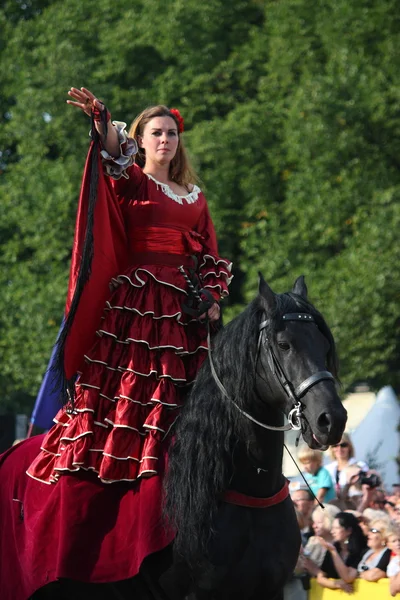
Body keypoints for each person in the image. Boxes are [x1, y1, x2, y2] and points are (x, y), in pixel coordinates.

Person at [27, 87, 232, 485]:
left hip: (185, 308)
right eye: (156, 133)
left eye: (172, 133)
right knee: (132, 386)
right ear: (141, 139)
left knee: (193, 391)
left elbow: (210, 255)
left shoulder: (196, 197)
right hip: (140, 301)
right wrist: (101, 119)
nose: (165, 140)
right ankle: (119, 467)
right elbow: (112, 152)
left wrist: (212, 297)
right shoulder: (134, 181)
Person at [314, 512, 367, 592]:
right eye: (332, 528)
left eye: (336, 528)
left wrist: (333, 552)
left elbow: (348, 578)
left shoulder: (361, 550)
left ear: (349, 530)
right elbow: (320, 577)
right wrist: (337, 584)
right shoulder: (334, 548)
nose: (332, 532)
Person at [325, 432, 368, 509]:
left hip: (355, 505)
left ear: (349, 447)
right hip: (333, 506)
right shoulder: (327, 469)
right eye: (335, 445)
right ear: (331, 448)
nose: (339, 449)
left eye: (343, 445)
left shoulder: (360, 465)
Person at [387, 523, 400, 596]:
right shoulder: (393, 563)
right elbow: (393, 590)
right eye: (394, 541)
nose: (398, 543)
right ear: (388, 545)